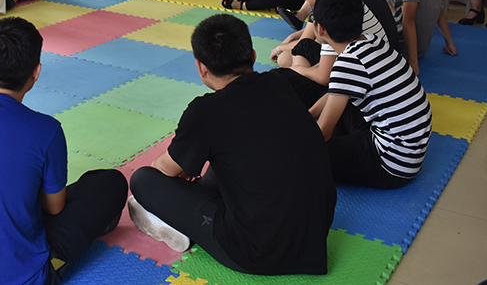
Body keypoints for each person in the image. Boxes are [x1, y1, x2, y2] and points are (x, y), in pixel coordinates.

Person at [127, 14, 335, 275]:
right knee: (236, 151)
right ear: (253, 56)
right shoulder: (280, 82)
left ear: (201, 68)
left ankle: (171, 223)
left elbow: (164, 169)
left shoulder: (205, 111)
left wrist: (175, 176)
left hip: (257, 251)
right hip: (314, 237)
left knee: (143, 180)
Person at [0, 17, 127, 285]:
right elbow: (54, 208)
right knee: (110, 182)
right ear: (36, 72)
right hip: (20, 277)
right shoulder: (46, 129)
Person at [309, 0, 433, 189]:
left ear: (320, 29)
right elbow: (336, 94)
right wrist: (308, 114)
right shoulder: (372, 41)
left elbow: (323, 133)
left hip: (391, 165)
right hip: (409, 150)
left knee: (307, 154)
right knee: (340, 103)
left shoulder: (348, 63)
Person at [272, 0, 390, 84]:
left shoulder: (329, 12)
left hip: (362, 72)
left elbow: (324, 77)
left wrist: (296, 69)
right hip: (378, 59)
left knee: (290, 58)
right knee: (291, 55)